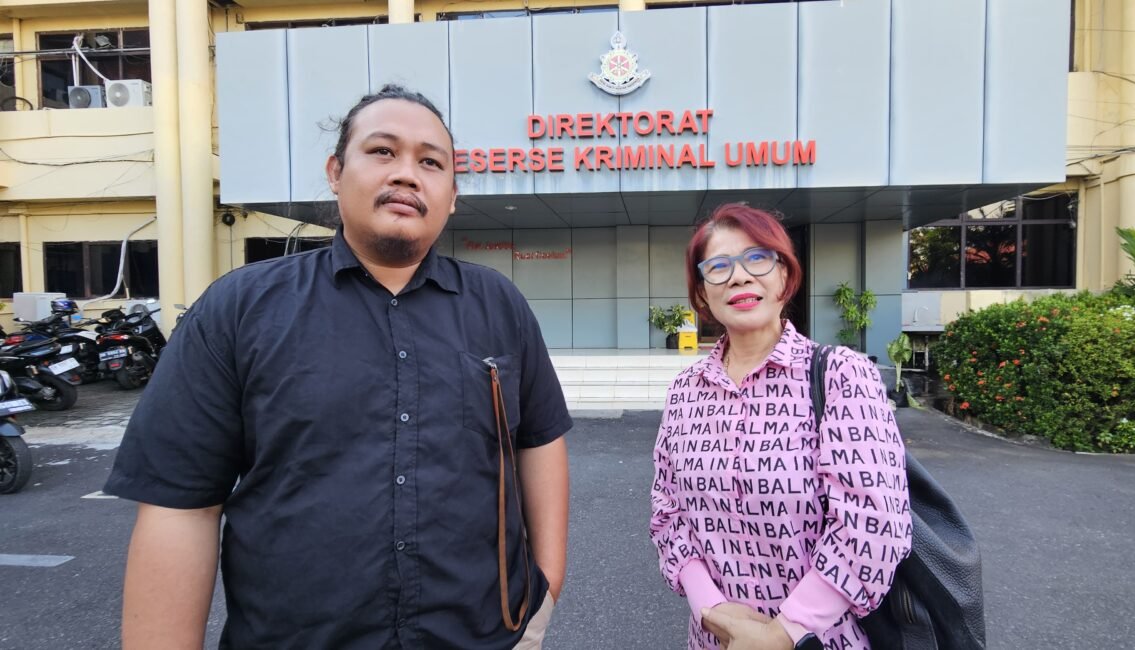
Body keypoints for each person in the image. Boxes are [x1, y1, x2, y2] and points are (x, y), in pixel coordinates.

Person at [105, 84, 571, 649]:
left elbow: (539, 442)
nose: (406, 174)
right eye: (382, 151)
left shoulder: (498, 305)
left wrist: (544, 593)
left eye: (431, 162)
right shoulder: (240, 310)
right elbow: (181, 507)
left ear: (451, 196)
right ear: (335, 171)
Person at [649, 204, 912, 650]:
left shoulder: (840, 376)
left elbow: (875, 523)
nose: (739, 277)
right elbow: (667, 512)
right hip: (715, 639)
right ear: (701, 293)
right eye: (718, 267)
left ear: (785, 276)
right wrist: (710, 608)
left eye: (757, 258)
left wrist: (783, 632)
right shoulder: (685, 391)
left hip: (821, 640)